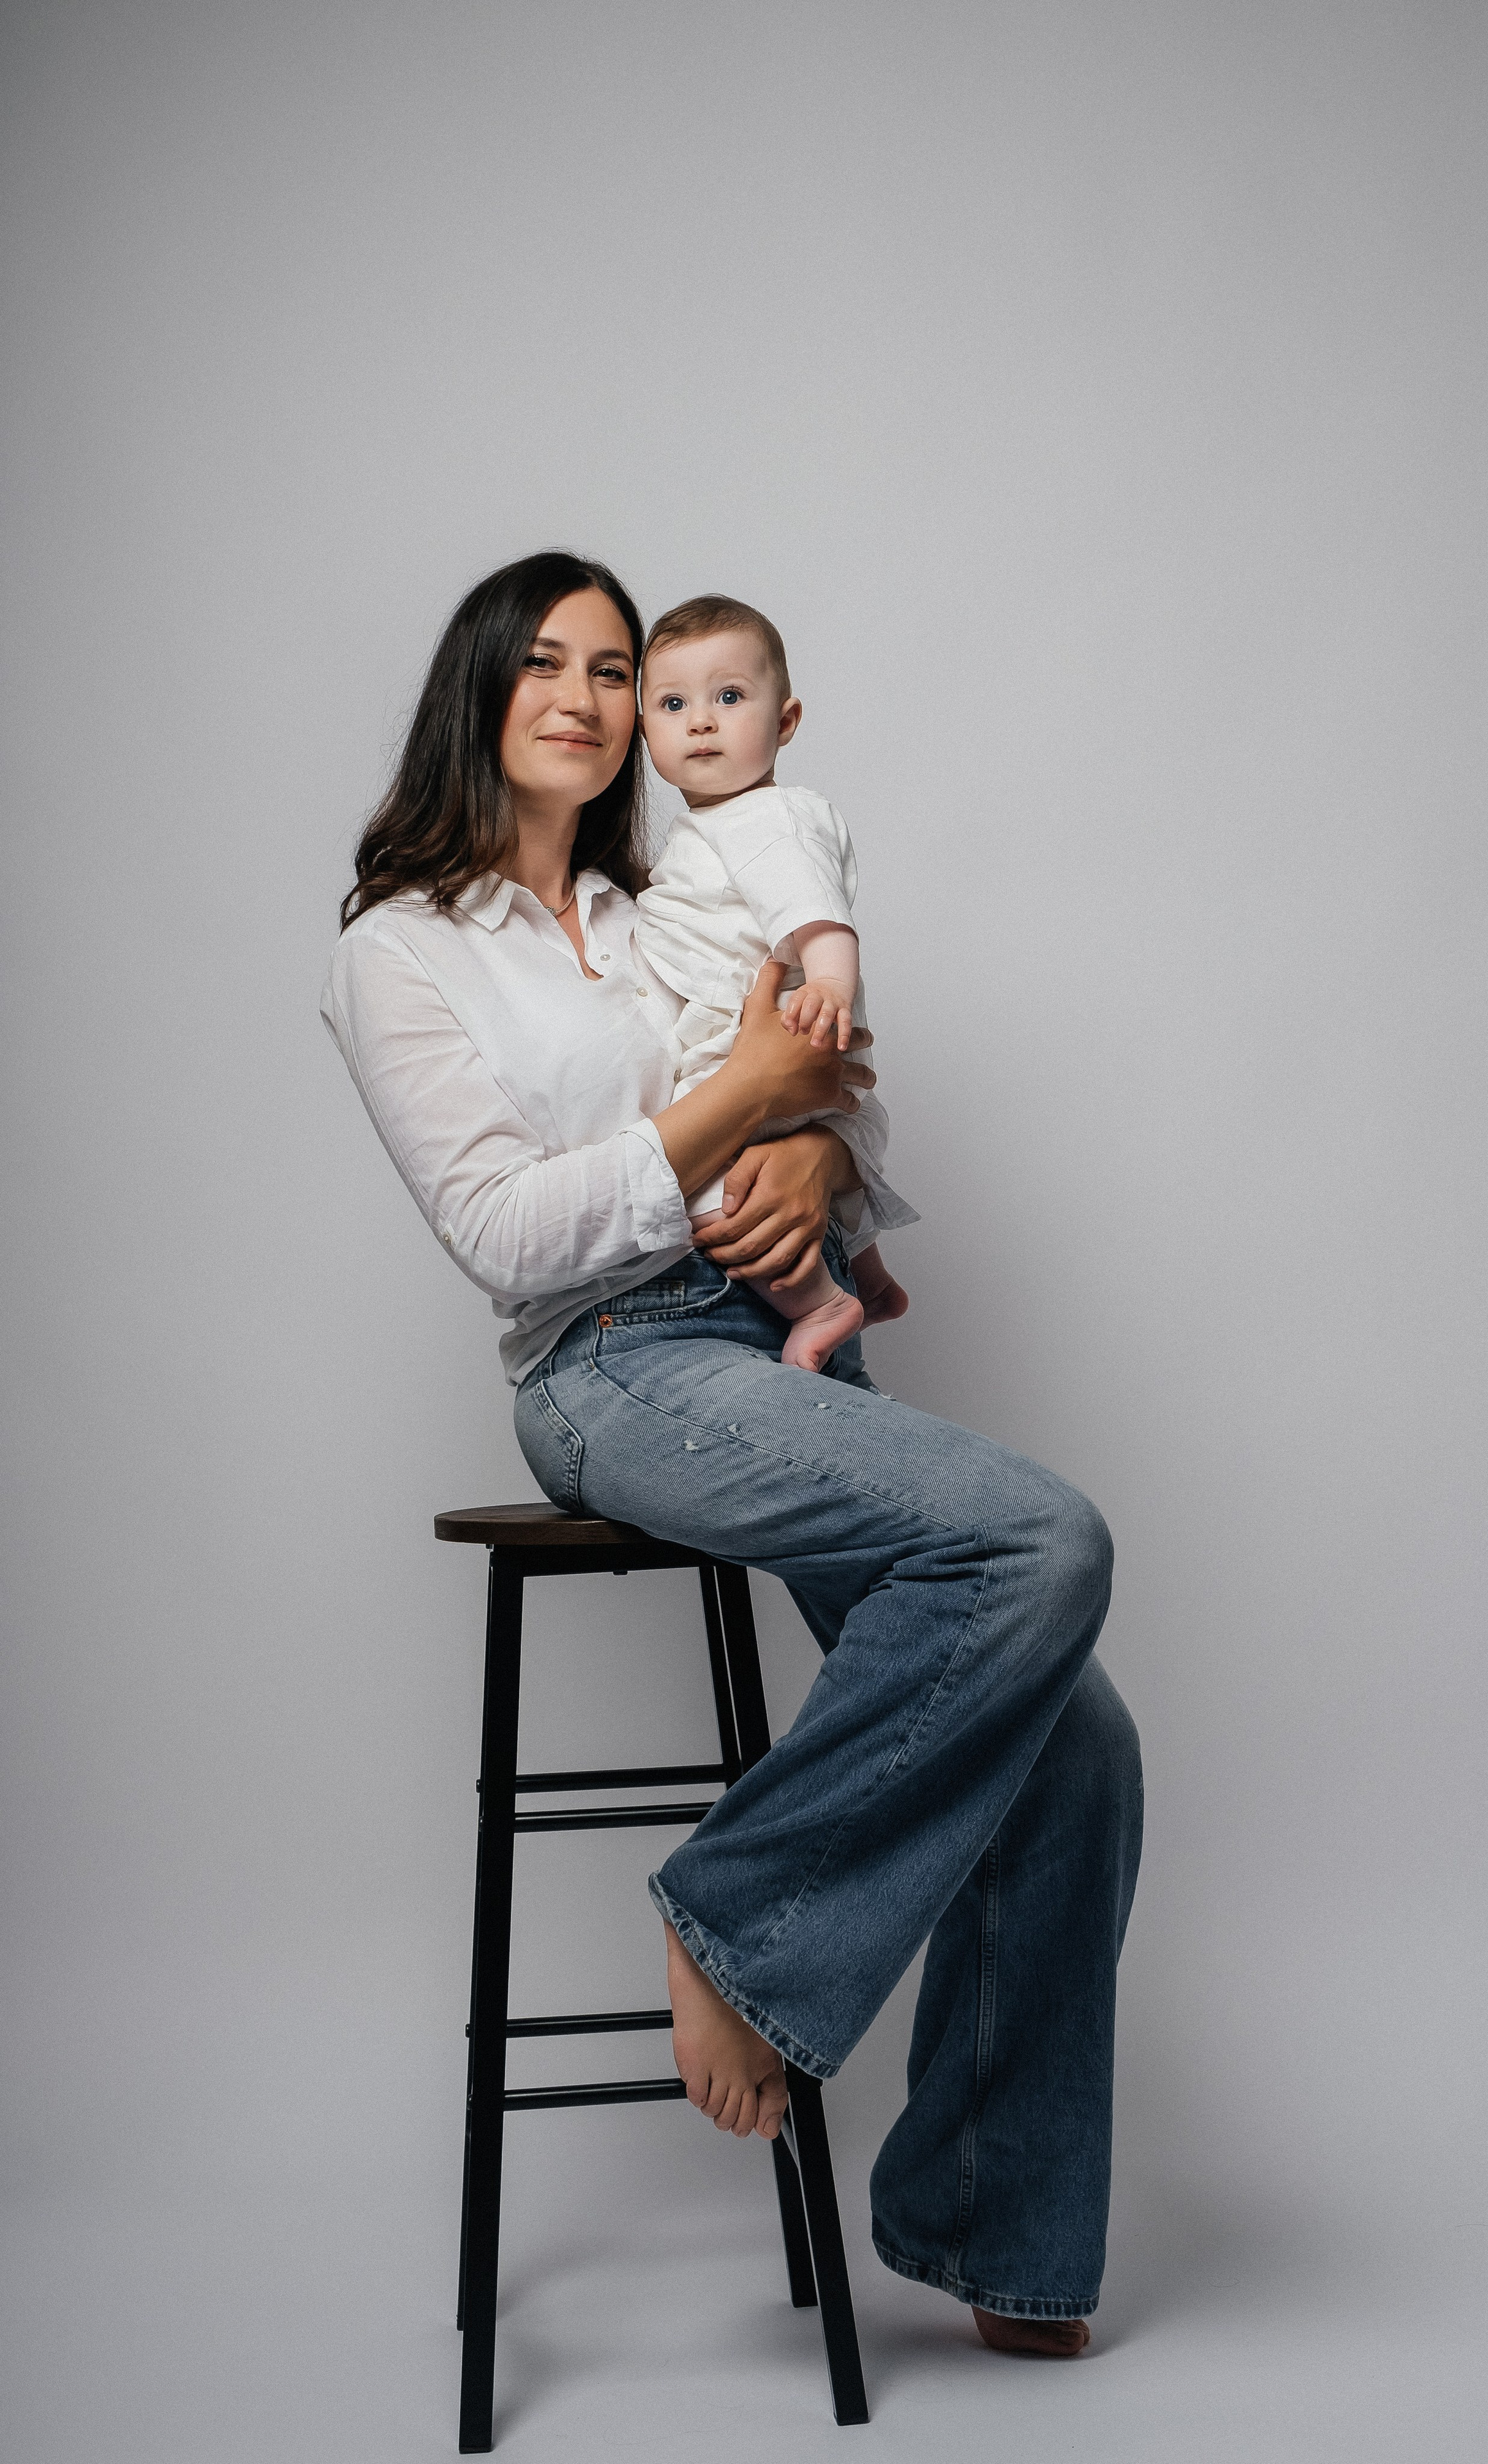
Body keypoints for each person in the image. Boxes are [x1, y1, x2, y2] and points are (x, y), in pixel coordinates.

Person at [321, 549, 1143, 2359]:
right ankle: (738, 1915)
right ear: (479, 688)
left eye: (619, 669)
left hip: (773, 1338)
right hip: (612, 1367)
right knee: (1041, 1546)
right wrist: (733, 1114)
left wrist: (818, 1157)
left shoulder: (672, 880)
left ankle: (989, 2233)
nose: (592, 696)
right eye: (547, 662)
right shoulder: (398, 951)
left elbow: (814, 1062)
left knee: (1077, 1741)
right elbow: (513, 1236)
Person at [636, 592, 911, 1370]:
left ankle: (825, 1304)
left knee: (708, 1201)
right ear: (645, 730)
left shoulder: (768, 820)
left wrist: (826, 982)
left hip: (760, 1044)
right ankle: (871, 1276)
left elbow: (816, 913)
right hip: (752, 1045)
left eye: (729, 697)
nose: (701, 721)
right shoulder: (711, 829)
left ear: (784, 722)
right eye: (673, 703)